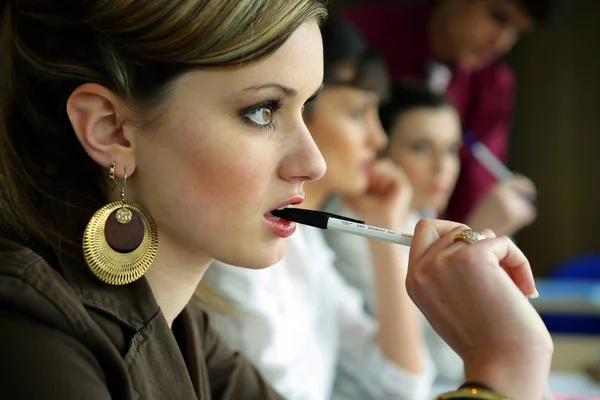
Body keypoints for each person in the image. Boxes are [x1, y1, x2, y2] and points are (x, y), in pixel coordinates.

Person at [0, 1, 552, 400]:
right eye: (263, 110)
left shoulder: (188, 328)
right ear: (113, 130)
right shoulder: (29, 332)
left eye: (307, 107)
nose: (312, 164)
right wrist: (506, 368)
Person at [204, 17, 433, 400]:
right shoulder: (239, 245)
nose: (378, 139)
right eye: (358, 114)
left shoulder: (305, 246)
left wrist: (384, 229)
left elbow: (404, 384)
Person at [340, 0, 552, 235]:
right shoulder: (361, 37)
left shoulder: (494, 84)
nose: (501, 43)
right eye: (498, 17)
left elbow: (475, 186)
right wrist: (471, 236)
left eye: (453, 150)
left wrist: (472, 231)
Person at [323, 83, 465, 387]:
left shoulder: (418, 219)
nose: (443, 167)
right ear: (379, 150)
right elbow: (437, 363)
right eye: (421, 148)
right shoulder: (347, 229)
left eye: (452, 149)